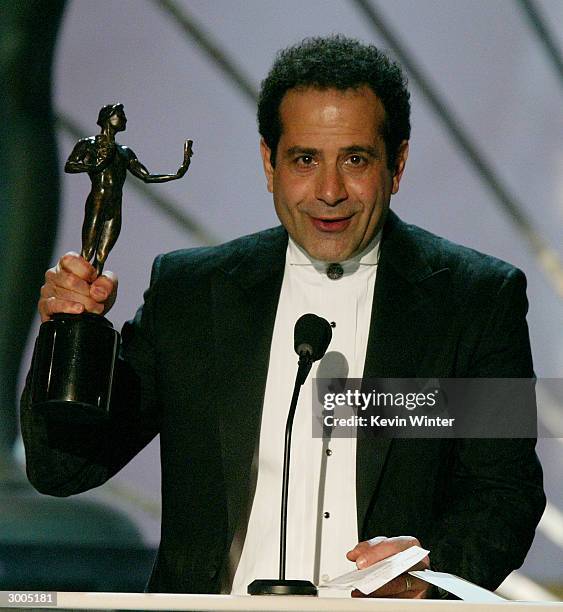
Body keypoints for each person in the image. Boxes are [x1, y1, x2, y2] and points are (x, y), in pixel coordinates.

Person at [21, 35, 545, 598]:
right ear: (269, 164)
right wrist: (69, 334)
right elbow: (63, 470)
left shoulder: (473, 300)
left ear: (397, 164)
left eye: (356, 159)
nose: (328, 192)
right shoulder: (193, 294)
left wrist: (431, 578)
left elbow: (504, 492)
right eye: (304, 160)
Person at [64, 103, 193, 275]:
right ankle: (77, 293)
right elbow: (70, 165)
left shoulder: (124, 152)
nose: (124, 119)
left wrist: (179, 172)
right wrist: (95, 165)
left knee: (101, 256)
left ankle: (90, 295)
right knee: (87, 253)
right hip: (98, 199)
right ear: (108, 118)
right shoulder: (89, 144)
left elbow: (146, 177)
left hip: (115, 205)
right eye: (120, 115)